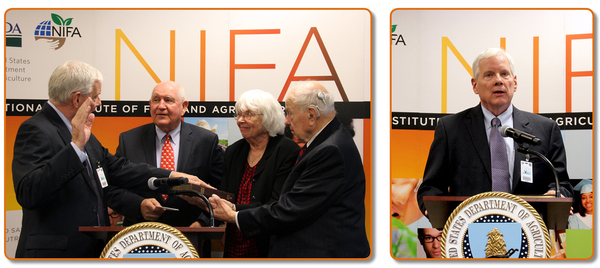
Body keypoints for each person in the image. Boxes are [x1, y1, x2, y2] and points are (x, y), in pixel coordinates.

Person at [11, 60, 205, 258]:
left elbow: (119, 169)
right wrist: (74, 148)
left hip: (91, 250)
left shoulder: (81, 131)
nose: (99, 103)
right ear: (77, 99)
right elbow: (29, 192)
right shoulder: (36, 129)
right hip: (54, 255)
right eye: (95, 96)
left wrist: (173, 176)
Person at [208, 81, 371, 258]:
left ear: (311, 115)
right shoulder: (329, 141)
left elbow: (291, 209)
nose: (286, 121)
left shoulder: (330, 150)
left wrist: (235, 216)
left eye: (290, 113)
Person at [417, 48, 573, 216]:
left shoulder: (545, 130)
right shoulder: (451, 129)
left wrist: (556, 194)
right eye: (489, 75)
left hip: (529, 234)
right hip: (469, 232)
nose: (499, 81)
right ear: (475, 85)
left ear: (515, 82)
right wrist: (433, 208)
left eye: (504, 74)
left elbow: (562, 184)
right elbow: (431, 187)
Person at [184, 89, 299, 258]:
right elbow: (226, 196)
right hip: (235, 244)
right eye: (238, 115)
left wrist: (233, 210)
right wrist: (203, 196)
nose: (240, 121)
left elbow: (277, 204)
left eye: (248, 115)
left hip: (268, 245)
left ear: (268, 117)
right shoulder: (234, 151)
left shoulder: (287, 151)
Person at [107, 81, 224, 228]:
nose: (161, 106)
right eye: (156, 100)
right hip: (142, 234)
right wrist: (139, 205)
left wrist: (202, 222)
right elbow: (111, 189)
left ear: (184, 106)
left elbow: (219, 190)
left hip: (191, 237)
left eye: (168, 100)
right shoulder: (129, 140)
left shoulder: (206, 141)